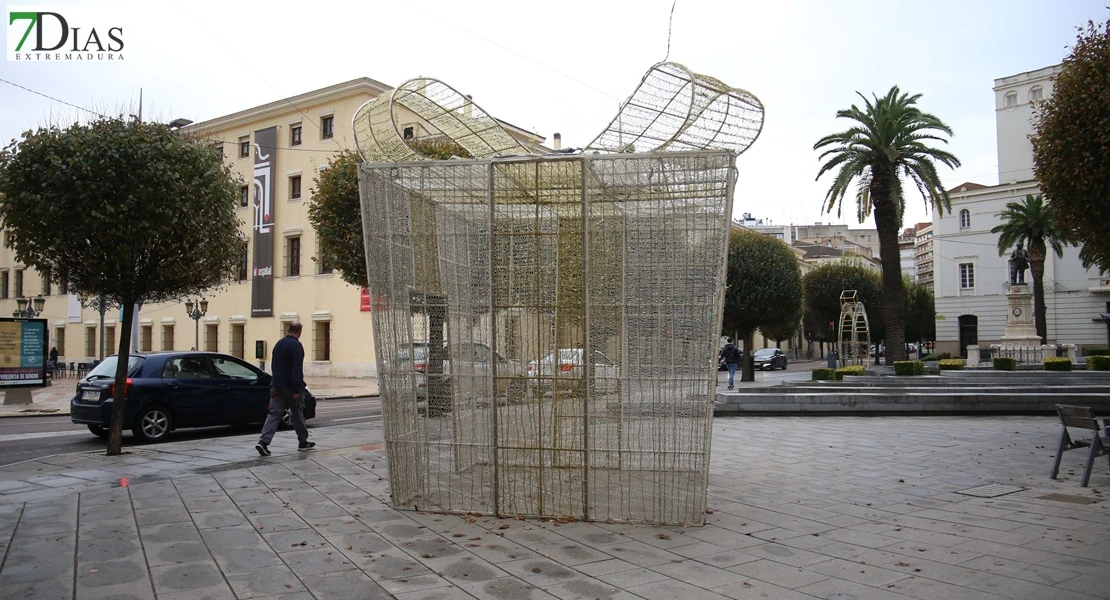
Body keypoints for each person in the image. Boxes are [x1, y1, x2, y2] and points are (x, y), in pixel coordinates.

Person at [256, 321, 314, 455]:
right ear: (300, 332)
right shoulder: (297, 346)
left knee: (274, 414)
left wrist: (275, 382)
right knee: (298, 414)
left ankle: (263, 442)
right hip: (291, 387)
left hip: (276, 385)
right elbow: (296, 369)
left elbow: (274, 365)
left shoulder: (279, 344)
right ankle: (303, 442)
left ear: (288, 330)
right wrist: (297, 389)